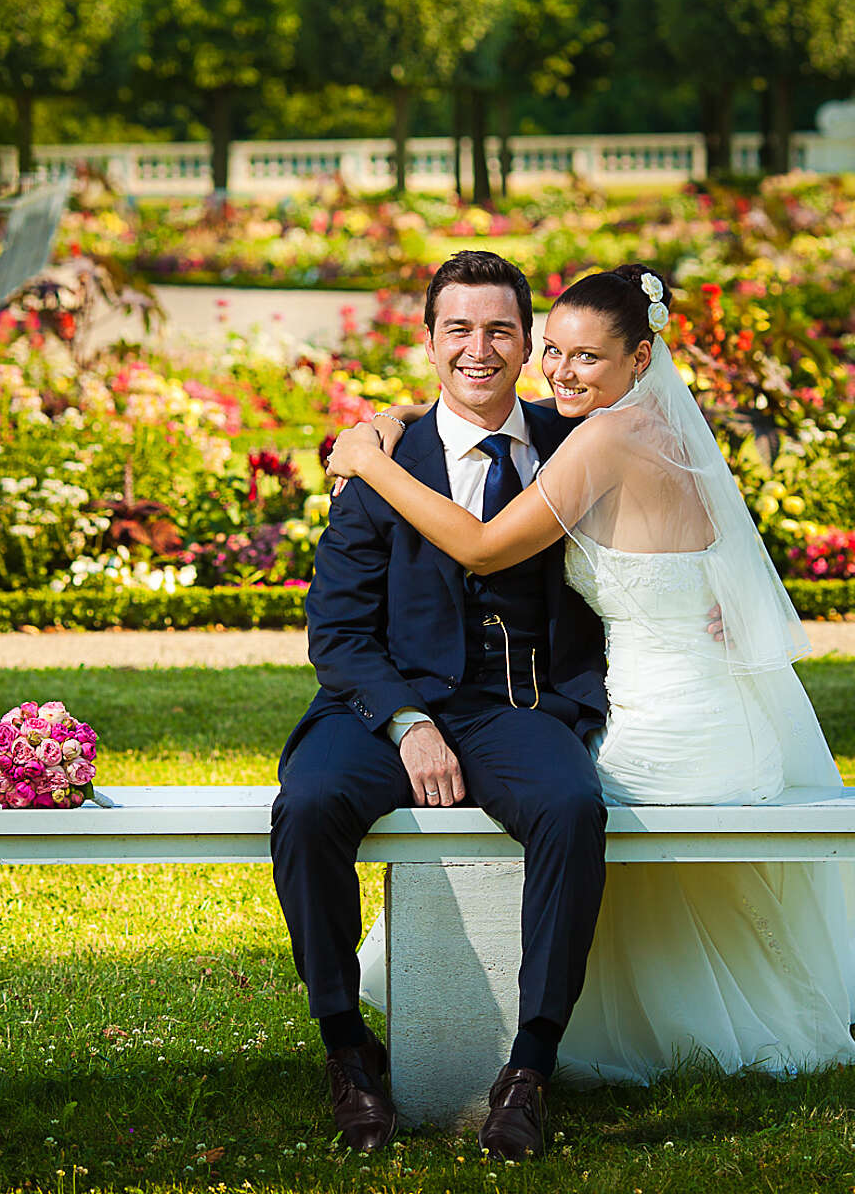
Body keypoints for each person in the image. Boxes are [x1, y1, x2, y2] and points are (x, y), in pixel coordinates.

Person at [326, 262, 855, 1089]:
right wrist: (399, 416)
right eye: (553, 351)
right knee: (540, 777)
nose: (560, 372)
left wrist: (371, 461)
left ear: (640, 356)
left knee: (544, 792)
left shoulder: (604, 439)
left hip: (665, 733)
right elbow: (519, 418)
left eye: (586, 357)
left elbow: (483, 547)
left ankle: (497, 1014)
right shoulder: (653, 425)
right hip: (719, 717)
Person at [270, 250, 610, 1160]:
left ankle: (530, 1067)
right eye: (457, 328)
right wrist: (408, 723)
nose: (479, 347)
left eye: (500, 328)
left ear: (529, 341)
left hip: (518, 709)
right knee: (306, 807)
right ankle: (346, 1047)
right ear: (428, 343)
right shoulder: (378, 462)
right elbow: (337, 635)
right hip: (382, 707)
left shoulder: (576, 443)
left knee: (574, 806)